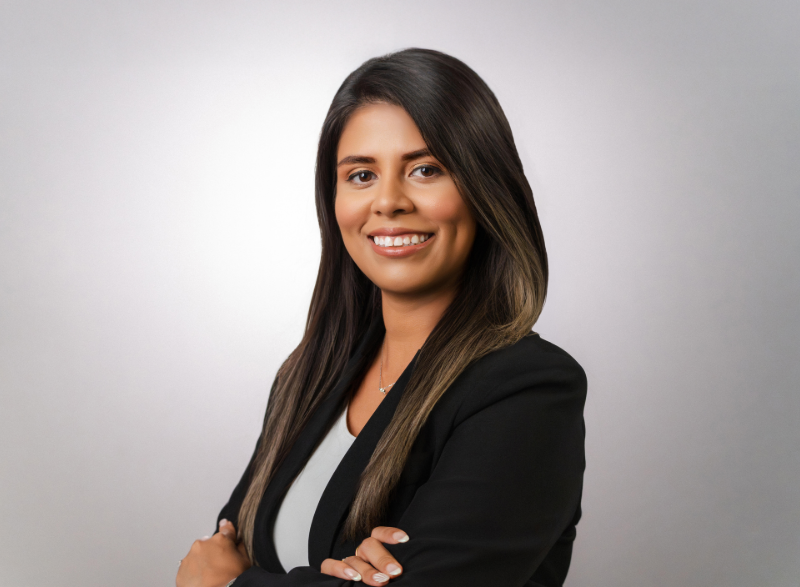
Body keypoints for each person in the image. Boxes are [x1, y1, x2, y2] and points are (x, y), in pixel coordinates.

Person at [177, 47, 586, 587]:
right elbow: (232, 543)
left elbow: (217, 572)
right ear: (335, 200)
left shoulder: (526, 391)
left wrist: (229, 586)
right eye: (362, 175)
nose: (388, 202)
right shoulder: (308, 377)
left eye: (425, 169)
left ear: (485, 190)